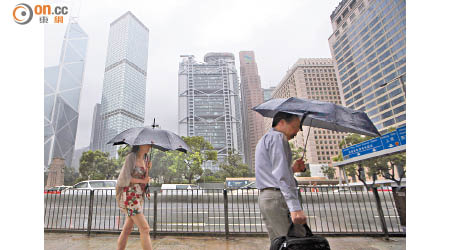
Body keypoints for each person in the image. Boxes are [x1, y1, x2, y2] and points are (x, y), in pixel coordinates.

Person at [255, 112, 308, 242]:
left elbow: (274, 171)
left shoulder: (265, 139)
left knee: (279, 242)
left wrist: (293, 169)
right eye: (295, 126)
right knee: (294, 242)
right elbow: (281, 175)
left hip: (267, 198)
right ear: (282, 122)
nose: (297, 131)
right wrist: (295, 208)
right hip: (278, 198)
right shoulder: (278, 137)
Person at [116, 145, 153, 250]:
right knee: (145, 228)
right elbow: (125, 177)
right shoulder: (131, 157)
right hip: (130, 195)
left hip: (139, 196)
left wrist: (148, 168)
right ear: (140, 144)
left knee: (127, 229)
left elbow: (145, 179)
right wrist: (142, 181)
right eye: (147, 143)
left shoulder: (146, 158)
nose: (149, 146)